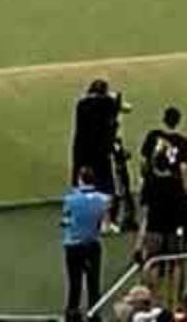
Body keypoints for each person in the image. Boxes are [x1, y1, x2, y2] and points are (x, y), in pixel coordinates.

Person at [139, 106, 187, 264]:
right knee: (174, 231)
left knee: (149, 218)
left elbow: (143, 161)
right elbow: (183, 169)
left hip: (153, 185)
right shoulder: (181, 142)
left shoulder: (153, 136)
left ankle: (141, 246)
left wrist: (145, 178)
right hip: (173, 189)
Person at [61, 165, 111, 319]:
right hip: (92, 244)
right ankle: (94, 313)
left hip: (73, 245)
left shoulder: (70, 199)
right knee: (93, 282)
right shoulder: (104, 199)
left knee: (74, 281)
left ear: (80, 180)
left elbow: (65, 220)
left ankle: (72, 312)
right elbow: (105, 226)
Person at [73, 80, 124, 214]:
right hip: (102, 150)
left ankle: (85, 214)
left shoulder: (82, 104)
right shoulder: (108, 103)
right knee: (106, 184)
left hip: (83, 149)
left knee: (85, 183)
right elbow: (116, 106)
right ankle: (109, 218)